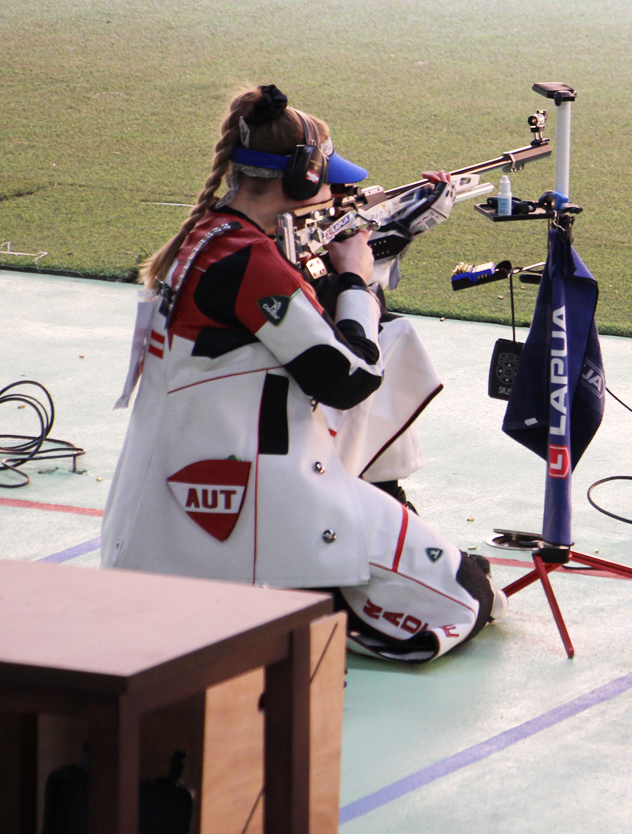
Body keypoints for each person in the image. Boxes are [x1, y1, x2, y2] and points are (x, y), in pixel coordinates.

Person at [101, 85, 500, 663]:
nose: (337, 192)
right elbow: (350, 376)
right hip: (253, 505)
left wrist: (365, 260)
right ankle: (327, 585)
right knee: (471, 596)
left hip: (184, 505)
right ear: (301, 177)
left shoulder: (209, 237)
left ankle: (360, 537)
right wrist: (359, 279)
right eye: (328, 178)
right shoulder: (251, 261)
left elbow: (288, 327)